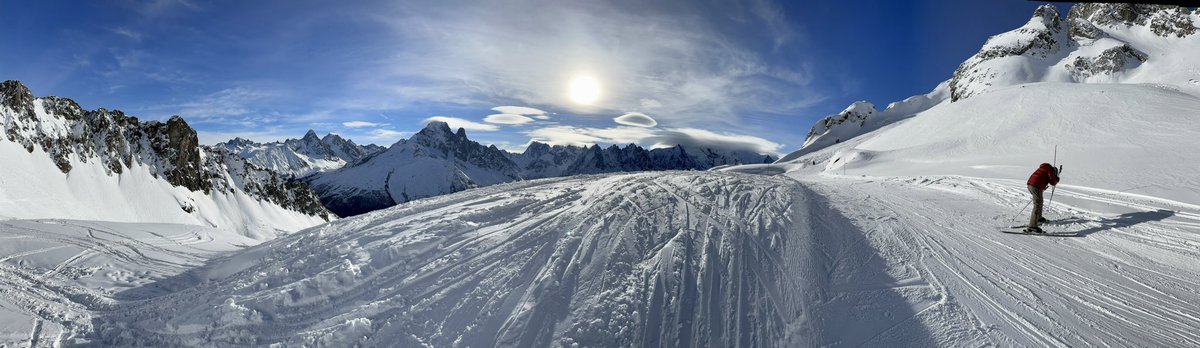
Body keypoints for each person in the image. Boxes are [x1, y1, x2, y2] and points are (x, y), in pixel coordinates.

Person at [1025, 163, 1060, 233]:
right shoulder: (1050, 170)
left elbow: (1043, 178)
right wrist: (1056, 179)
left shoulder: (1044, 168)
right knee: (1037, 204)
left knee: (1040, 202)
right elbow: (1052, 182)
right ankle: (1032, 226)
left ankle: (1038, 218)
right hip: (1035, 186)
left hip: (1031, 185)